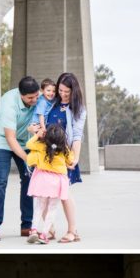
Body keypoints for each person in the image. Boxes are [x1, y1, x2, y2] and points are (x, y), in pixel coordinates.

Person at [0, 76, 40, 242]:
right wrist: (27, 158)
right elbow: (10, 138)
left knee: (28, 178)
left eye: (36, 96)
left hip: (24, 140)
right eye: (30, 98)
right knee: (1, 180)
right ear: (21, 95)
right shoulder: (9, 102)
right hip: (2, 139)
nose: (34, 100)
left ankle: (26, 225)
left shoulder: (37, 100)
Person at [46, 72, 87, 244]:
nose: (62, 94)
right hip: (46, 155)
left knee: (64, 194)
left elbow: (77, 135)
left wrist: (75, 157)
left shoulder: (78, 109)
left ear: (73, 92)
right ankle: (49, 229)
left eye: (66, 92)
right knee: (44, 193)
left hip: (64, 156)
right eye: (60, 90)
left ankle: (73, 231)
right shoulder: (50, 103)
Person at [24, 123, 74, 245]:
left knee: (39, 207)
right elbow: (71, 160)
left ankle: (34, 230)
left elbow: (28, 145)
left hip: (42, 179)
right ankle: (44, 235)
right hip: (57, 182)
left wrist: (37, 136)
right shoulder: (64, 150)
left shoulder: (41, 146)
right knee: (52, 209)